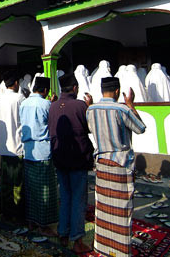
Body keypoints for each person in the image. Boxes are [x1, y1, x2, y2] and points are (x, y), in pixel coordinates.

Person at [87, 77, 146, 257]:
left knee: (103, 207)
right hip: (120, 163)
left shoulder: (91, 109)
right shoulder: (122, 110)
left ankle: (102, 247)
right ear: (118, 91)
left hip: (102, 162)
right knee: (121, 209)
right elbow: (141, 128)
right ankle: (120, 251)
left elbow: (91, 129)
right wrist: (131, 105)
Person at [48, 73, 94, 254]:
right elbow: (89, 127)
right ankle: (77, 239)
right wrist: (89, 108)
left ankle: (63, 233)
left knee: (66, 196)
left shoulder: (52, 107)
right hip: (78, 158)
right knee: (78, 199)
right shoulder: (80, 106)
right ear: (75, 88)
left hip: (60, 157)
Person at [19, 76, 59, 236]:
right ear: (45, 90)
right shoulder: (46, 104)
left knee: (31, 189)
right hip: (43, 150)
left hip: (28, 150)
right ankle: (44, 225)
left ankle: (31, 221)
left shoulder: (24, 103)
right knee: (45, 190)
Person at [0, 70, 26, 223]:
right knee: (18, 183)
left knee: (6, 182)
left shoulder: (0, 99)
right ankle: (17, 214)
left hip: (4, 146)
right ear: (16, 83)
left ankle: (5, 211)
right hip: (18, 147)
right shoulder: (19, 98)